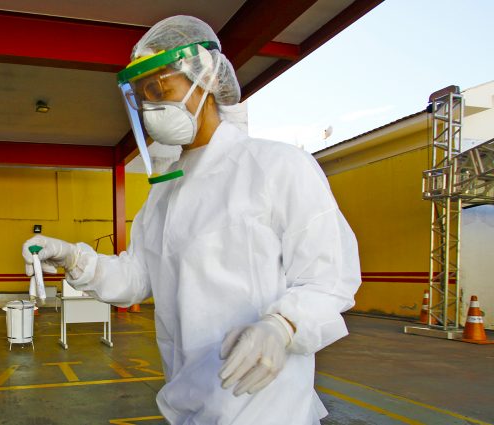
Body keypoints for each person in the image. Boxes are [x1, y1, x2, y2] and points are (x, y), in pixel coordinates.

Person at [22, 15, 360, 424]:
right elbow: (135, 279)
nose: (151, 104)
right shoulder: (165, 195)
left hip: (268, 404)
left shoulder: (276, 166)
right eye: (143, 93)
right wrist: (72, 258)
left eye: (161, 84)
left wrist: (283, 325)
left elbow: (329, 278)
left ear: (205, 75)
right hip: (189, 402)